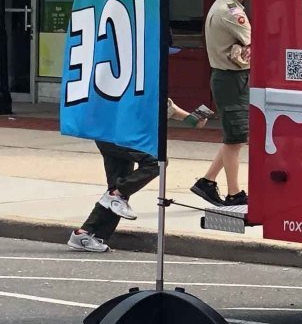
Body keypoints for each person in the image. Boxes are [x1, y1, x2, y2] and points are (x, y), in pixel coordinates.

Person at [67, 100, 210, 253]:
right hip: (115, 131)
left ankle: (86, 234)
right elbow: (159, 104)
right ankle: (114, 197)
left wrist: (190, 119)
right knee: (155, 161)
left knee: (120, 186)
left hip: (107, 130)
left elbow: (165, 105)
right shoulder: (135, 78)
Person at [192, 0, 251, 208]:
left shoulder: (224, 7)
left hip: (230, 78)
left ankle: (207, 181)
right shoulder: (230, 12)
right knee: (235, 139)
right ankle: (234, 193)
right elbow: (253, 42)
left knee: (234, 136)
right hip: (232, 79)